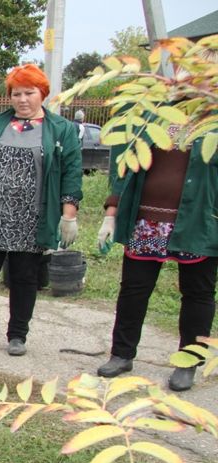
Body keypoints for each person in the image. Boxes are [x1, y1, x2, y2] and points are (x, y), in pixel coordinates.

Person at [0, 64, 83, 359]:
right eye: (16, 93)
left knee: (24, 280)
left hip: (31, 221)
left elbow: (72, 174)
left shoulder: (61, 129)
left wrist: (68, 215)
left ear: (42, 93)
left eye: (29, 93)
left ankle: (17, 335)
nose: (22, 99)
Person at [95, 122, 217, 391]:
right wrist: (111, 213)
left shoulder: (212, 114)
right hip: (145, 221)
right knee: (133, 290)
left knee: (198, 293)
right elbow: (122, 166)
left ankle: (188, 362)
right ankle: (122, 354)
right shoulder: (150, 112)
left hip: (198, 221)